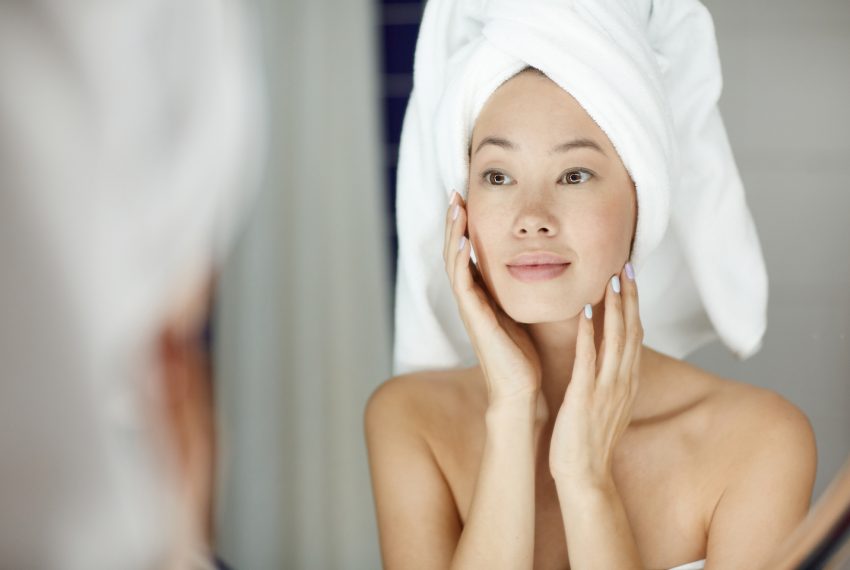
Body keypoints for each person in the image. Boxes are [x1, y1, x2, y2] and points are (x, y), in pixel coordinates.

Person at [364, 0, 818, 567]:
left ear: (642, 199)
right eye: (498, 176)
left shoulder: (758, 442)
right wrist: (511, 412)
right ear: (462, 208)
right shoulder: (410, 420)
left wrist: (586, 481)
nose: (531, 215)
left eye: (574, 174)